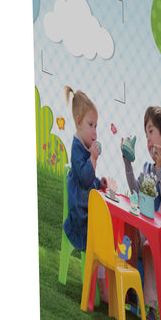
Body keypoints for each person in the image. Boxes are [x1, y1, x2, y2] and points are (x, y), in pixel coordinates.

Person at [122, 106, 161, 320]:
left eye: (151, 131)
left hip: (159, 242)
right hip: (143, 234)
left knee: (147, 247)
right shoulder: (146, 168)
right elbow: (135, 192)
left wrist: (160, 171)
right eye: (146, 134)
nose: (147, 139)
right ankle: (130, 291)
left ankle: (152, 310)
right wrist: (128, 164)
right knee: (127, 231)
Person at [63, 86, 108, 252]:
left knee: (105, 215)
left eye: (96, 126)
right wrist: (93, 158)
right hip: (80, 210)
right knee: (101, 222)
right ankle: (98, 255)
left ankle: (103, 253)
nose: (95, 132)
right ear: (78, 122)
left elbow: (90, 179)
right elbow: (84, 179)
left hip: (85, 199)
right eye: (91, 125)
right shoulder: (77, 147)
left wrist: (99, 182)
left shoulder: (85, 146)